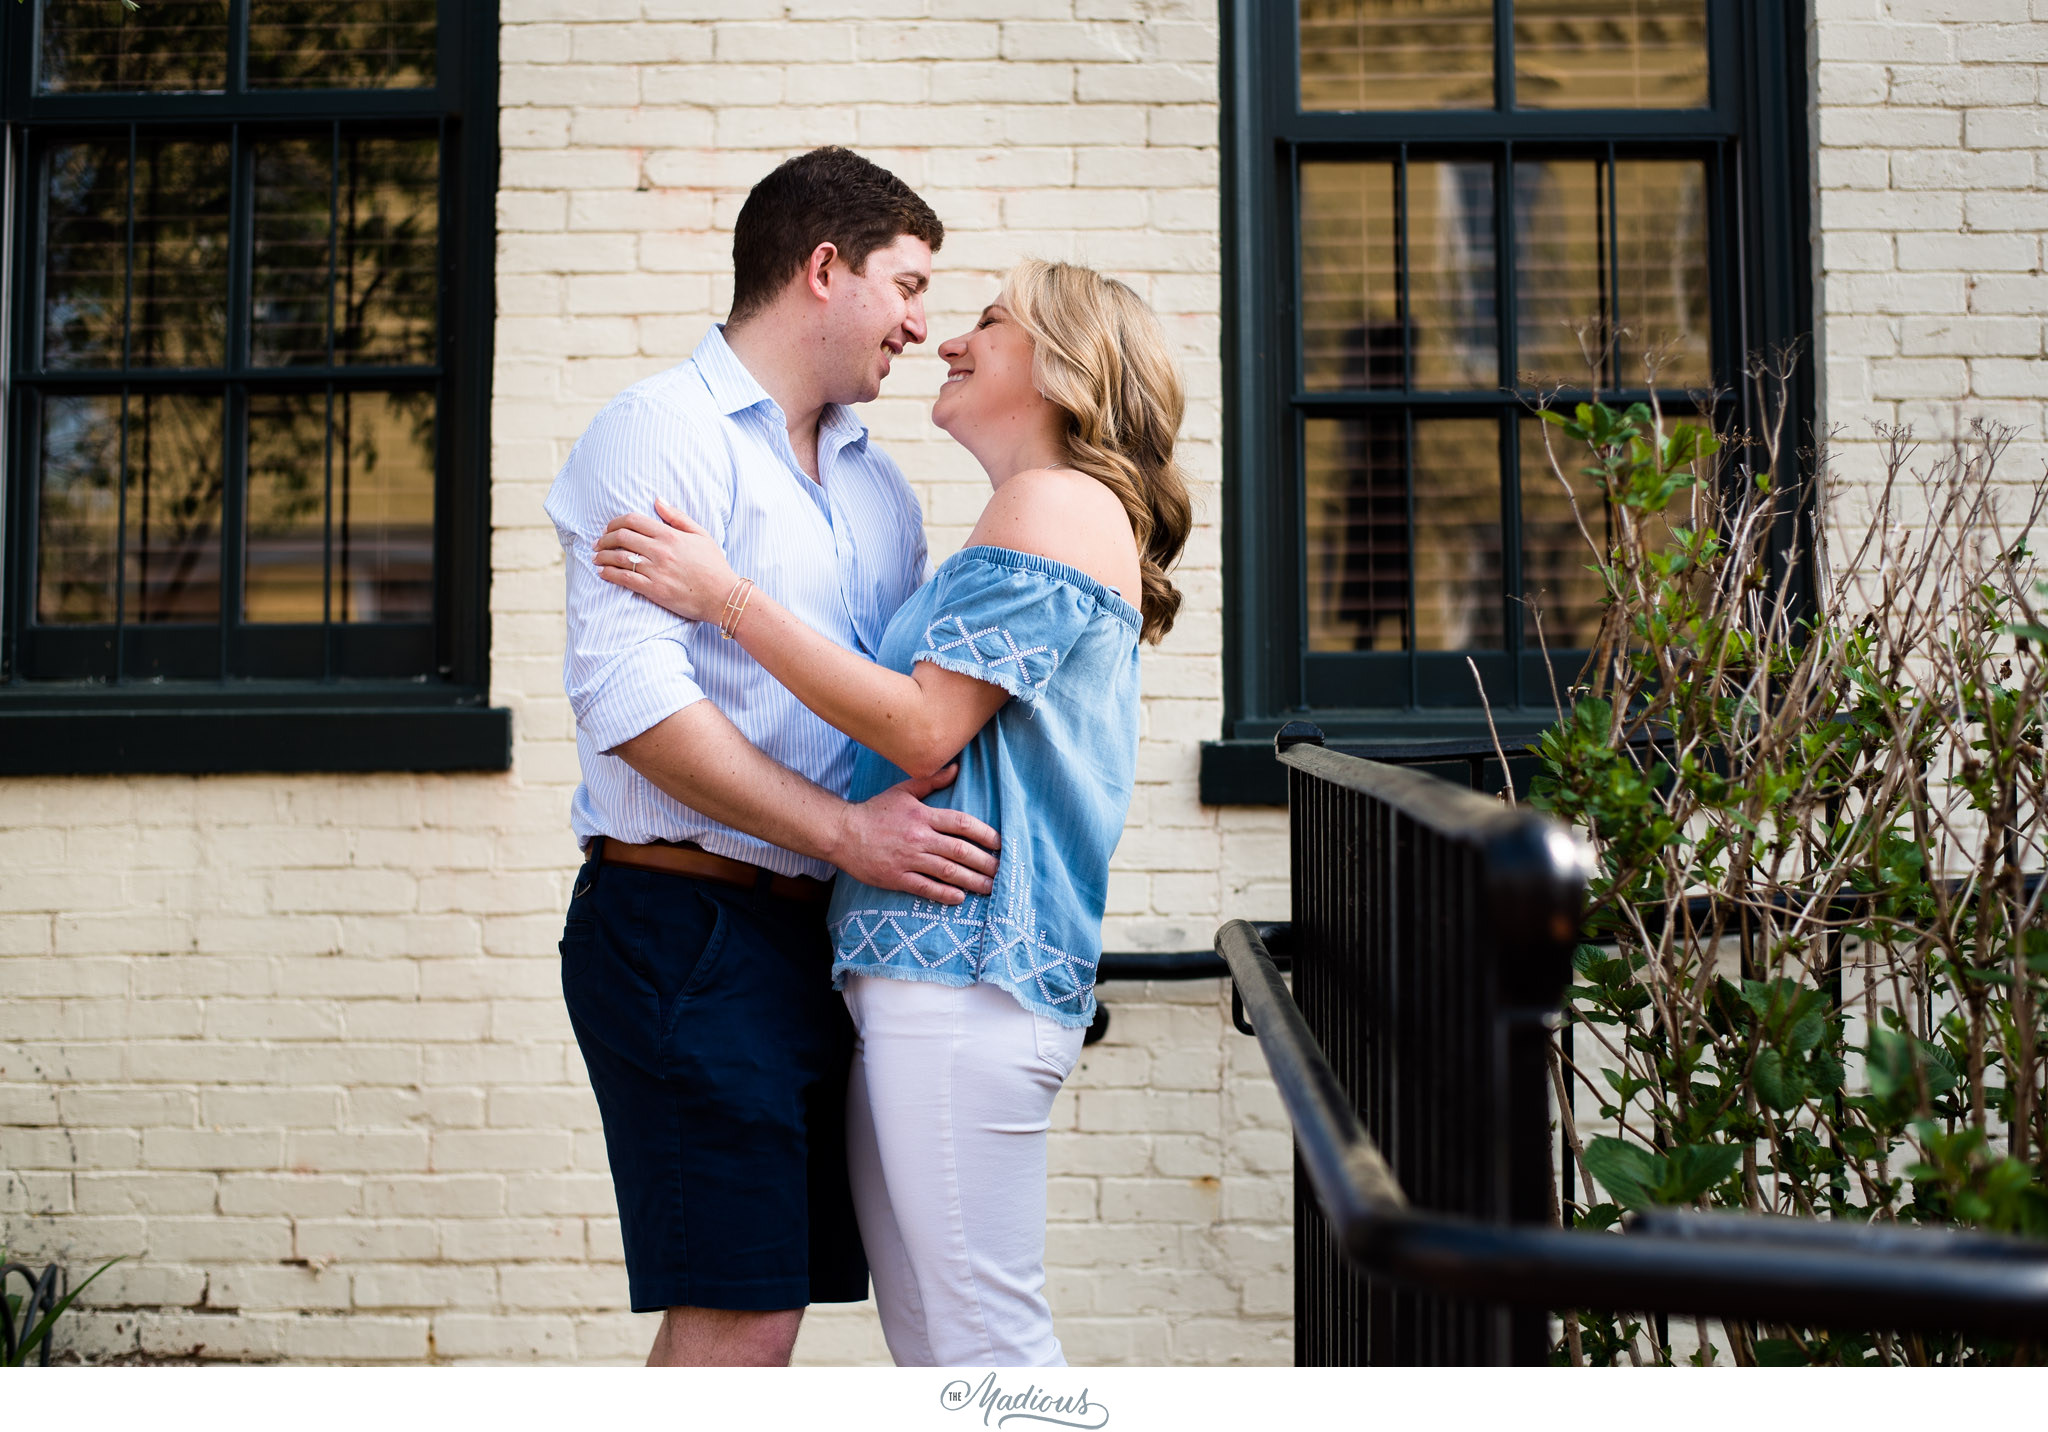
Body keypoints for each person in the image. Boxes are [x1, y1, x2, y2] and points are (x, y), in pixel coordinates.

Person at [592, 258, 1193, 1367]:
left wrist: (721, 596)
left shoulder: (1052, 502)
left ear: (1064, 371)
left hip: (962, 974)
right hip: (925, 975)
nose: (949, 338)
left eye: (987, 323)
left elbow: (921, 728)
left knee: (984, 1348)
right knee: (936, 1345)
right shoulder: (1029, 511)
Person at [544, 147, 1004, 1368]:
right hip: (684, 925)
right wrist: (850, 834)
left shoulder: (877, 486)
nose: (923, 322)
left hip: (817, 939)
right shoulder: (658, 433)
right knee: (741, 1312)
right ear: (821, 268)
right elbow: (630, 700)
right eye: (907, 284)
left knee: (779, 1306)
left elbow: (891, 706)